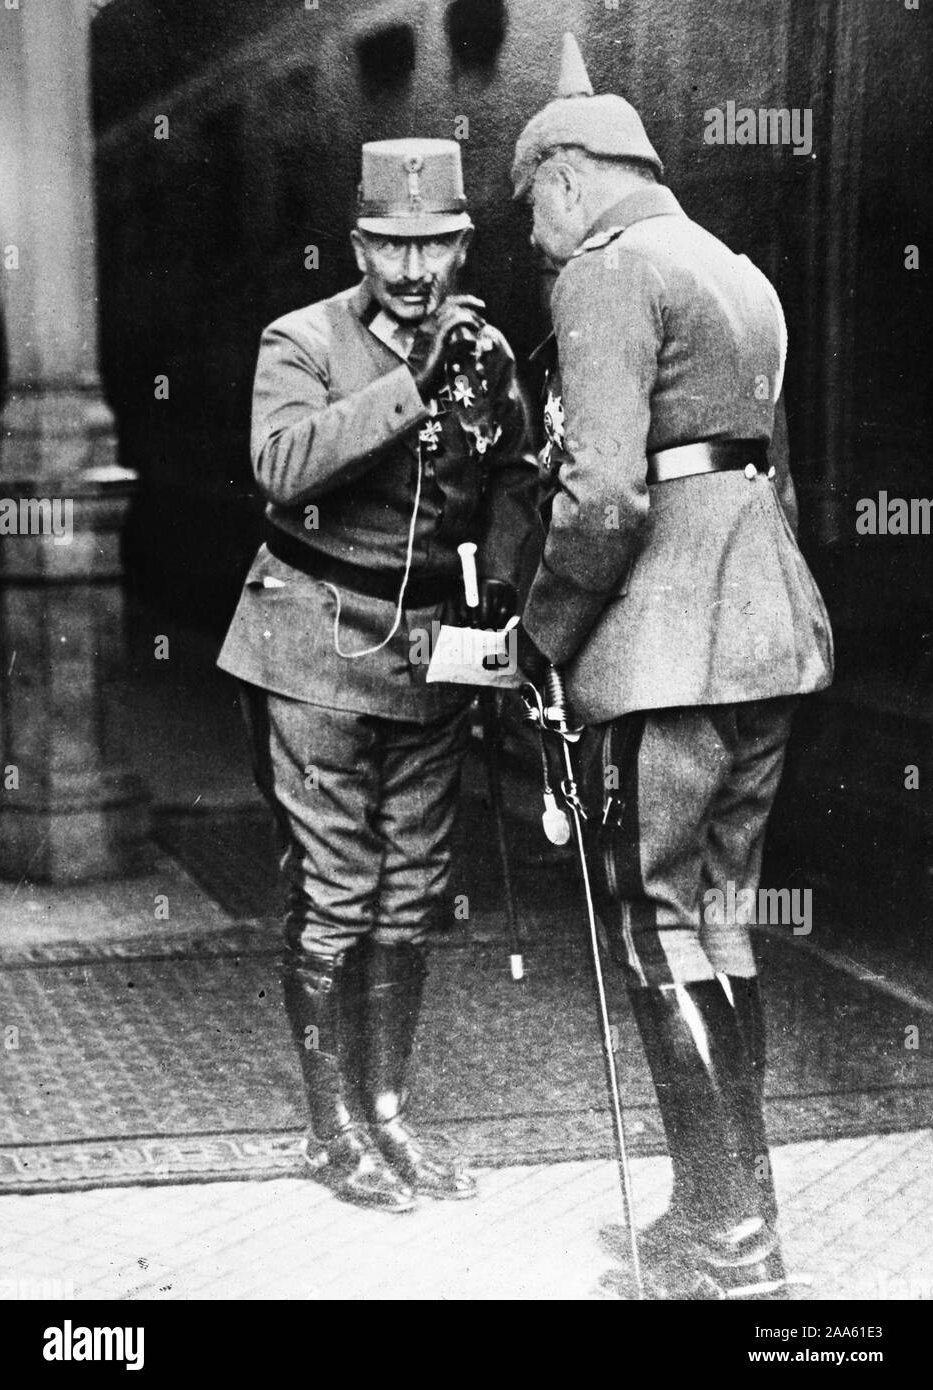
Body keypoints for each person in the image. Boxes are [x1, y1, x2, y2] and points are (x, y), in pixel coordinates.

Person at [511, 36, 834, 1297]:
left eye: (532, 203)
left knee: (656, 932)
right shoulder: (741, 274)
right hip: (765, 640)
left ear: (574, 178)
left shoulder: (605, 273)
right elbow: (784, 480)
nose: (533, 239)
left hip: (663, 655)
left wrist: (540, 638)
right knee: (717, 926)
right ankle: (725, 1222)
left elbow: (598, 499)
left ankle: (730, 1248)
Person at [219, 138, 537, 1213]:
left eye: (434, 246)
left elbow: (513, 475)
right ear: (359, 243)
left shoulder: (483, 348)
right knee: (338, 887)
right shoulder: (299, 340)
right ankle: (331, 1128)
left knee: (412, 888)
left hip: (428, 656)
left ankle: (389, 1111)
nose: (413, 270)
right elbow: (283, 467)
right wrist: (410, 381)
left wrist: (497, 581)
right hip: (311, 642)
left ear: (460, 244)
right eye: (392, 248)